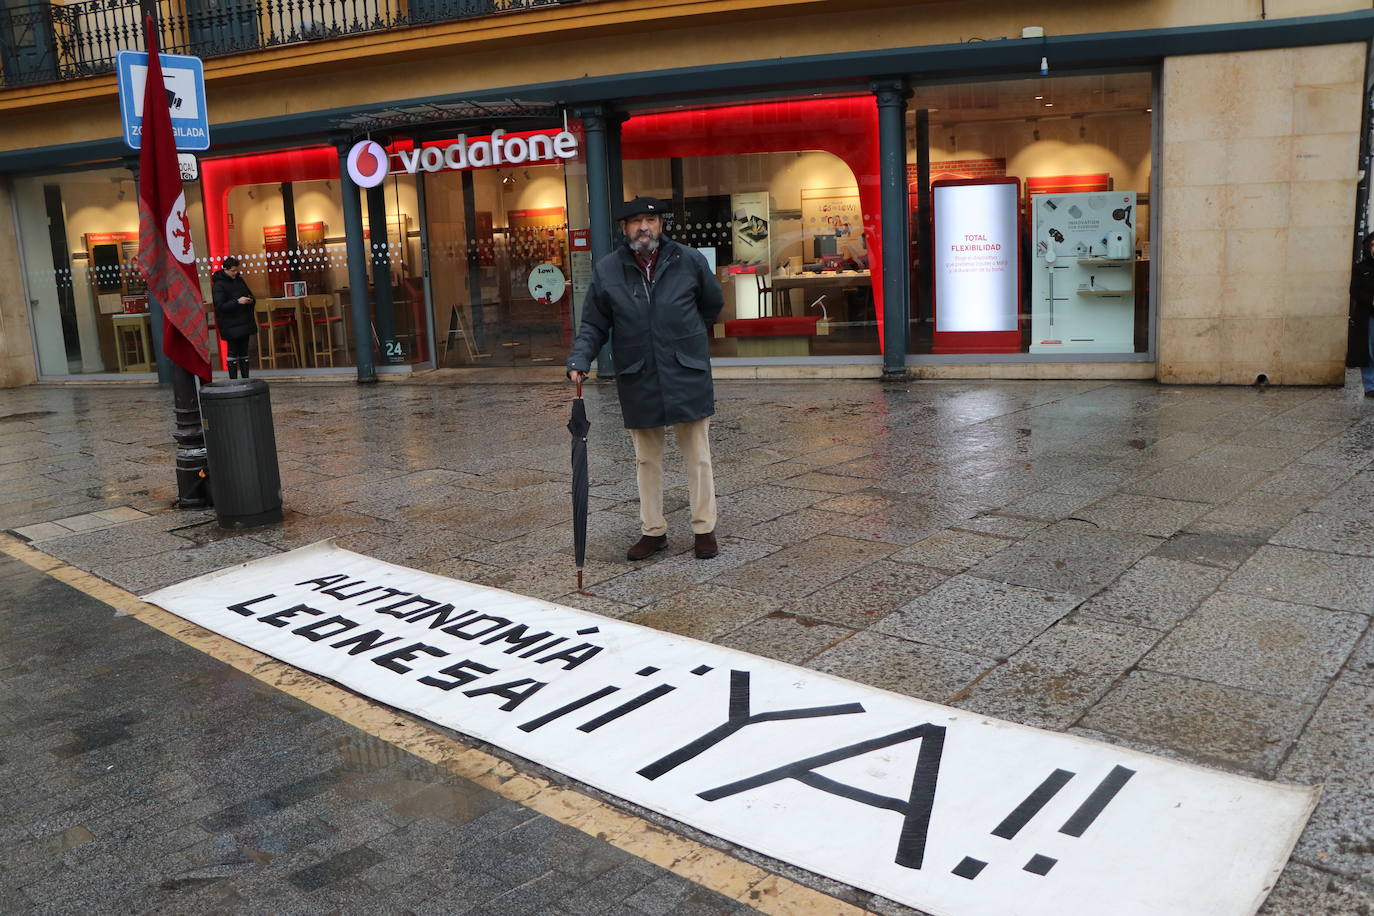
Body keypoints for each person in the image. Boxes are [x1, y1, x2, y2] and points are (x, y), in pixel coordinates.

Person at [567, 197, 725, 560]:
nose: (644, 227)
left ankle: (704, 528)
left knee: (698, 456)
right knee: (646, 460)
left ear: (661, 226)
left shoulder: (688, 260)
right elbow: (594, 322)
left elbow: (711, 303)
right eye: (636, 222)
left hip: (685, 369)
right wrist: (580, 358)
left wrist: (688, 336)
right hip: (638, 372)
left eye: (650, 221)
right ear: (624, 229)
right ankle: (653, 531)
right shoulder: (608, 270)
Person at [212, 256, 257, 379]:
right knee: (232, 352)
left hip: (244, 322)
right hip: (230, 324)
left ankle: (245, 379)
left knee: (244, 352)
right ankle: (233, 381)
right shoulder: (219, 285)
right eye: (232, 270)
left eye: (236, 270)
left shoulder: (239, 280)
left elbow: (250, 295)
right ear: (225, 269)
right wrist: (237, 302)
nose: (235, 273)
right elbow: (220, 306)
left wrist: (250, 300)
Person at [1349, 232, 1374, 398]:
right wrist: (1371, 301)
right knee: (1369, 350)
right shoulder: (1361, 267)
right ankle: (1370, 385)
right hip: (1368, 315)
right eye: (1373, 244)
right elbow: (1354, 290)